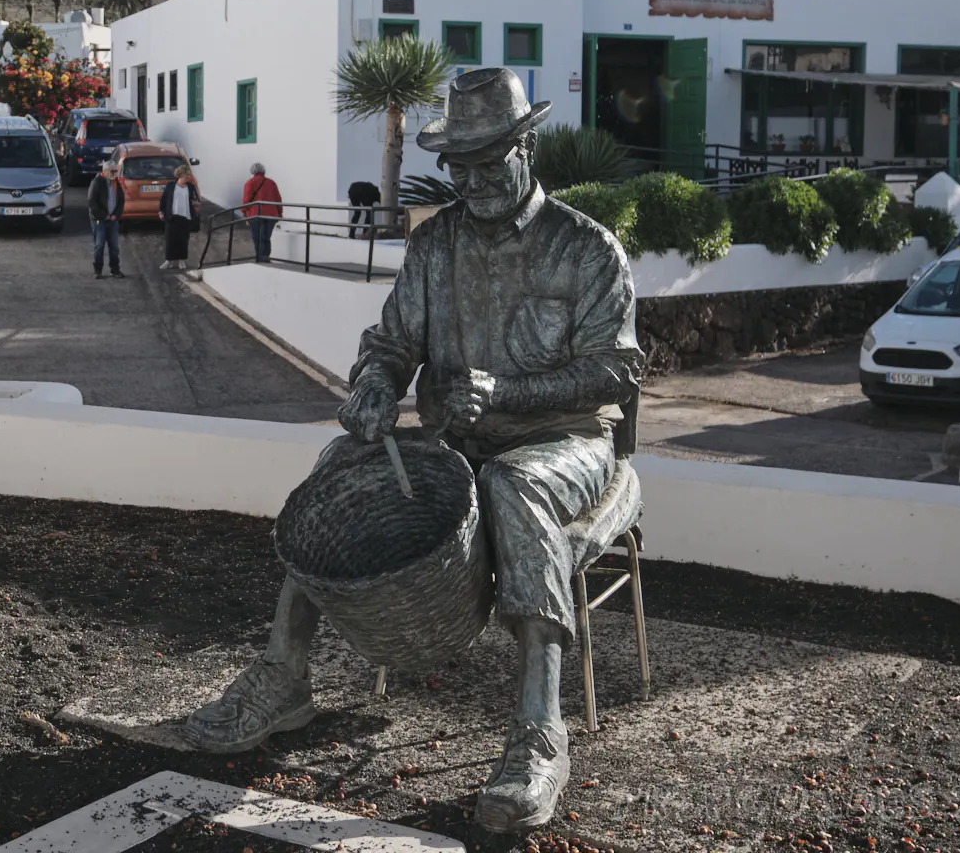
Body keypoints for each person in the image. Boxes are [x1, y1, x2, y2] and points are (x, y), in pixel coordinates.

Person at [182, 68, 644, 834]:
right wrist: (372, 386)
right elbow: (393, 342)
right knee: (337, 468)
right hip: (456, 441)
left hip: (566, 443)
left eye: (491, 160)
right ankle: (282, 675)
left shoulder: (586, 248)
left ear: (528, 147)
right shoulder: (435, 246)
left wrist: (507, 394)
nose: (473, 180)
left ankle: (539, 730)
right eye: (460, 165)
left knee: (515, 487)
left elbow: (618, 371)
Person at [87, 162, 126, 278]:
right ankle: (97, 270)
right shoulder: (97, 182)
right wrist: (104, 215)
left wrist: (116, 215)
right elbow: (92, 202)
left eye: (116, 171)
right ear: (105, 171)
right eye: (112, 171)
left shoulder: (116, 183)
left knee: (114, 246)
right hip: (99, 220)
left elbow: (121, 201)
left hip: (112, 220)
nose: (115, 173)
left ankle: (115, 270)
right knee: (99, 245)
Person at [158, 164, 201, 270]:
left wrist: (196, 203)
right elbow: (163, 200)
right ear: (180, 175)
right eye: (186, 175)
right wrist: (161, 211)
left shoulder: (190, 187)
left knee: (183, 240)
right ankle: (169, 261)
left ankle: (182, 261)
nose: (188, 177)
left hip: (185, 216)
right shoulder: (171, 186)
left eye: (189, 176)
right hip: (172, 216)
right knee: (170, 239)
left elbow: (196, 200)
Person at [241, 162, 283, 263]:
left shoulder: (250, 183)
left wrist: (244, 212)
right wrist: (280, 212)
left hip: (255, 215)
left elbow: (246, 200)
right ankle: (266, 258)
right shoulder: (271, 183)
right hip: (271, 215)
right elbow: (278, 199)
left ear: (253, 171)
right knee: (266, 238)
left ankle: (260, 259)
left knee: (258, 238)